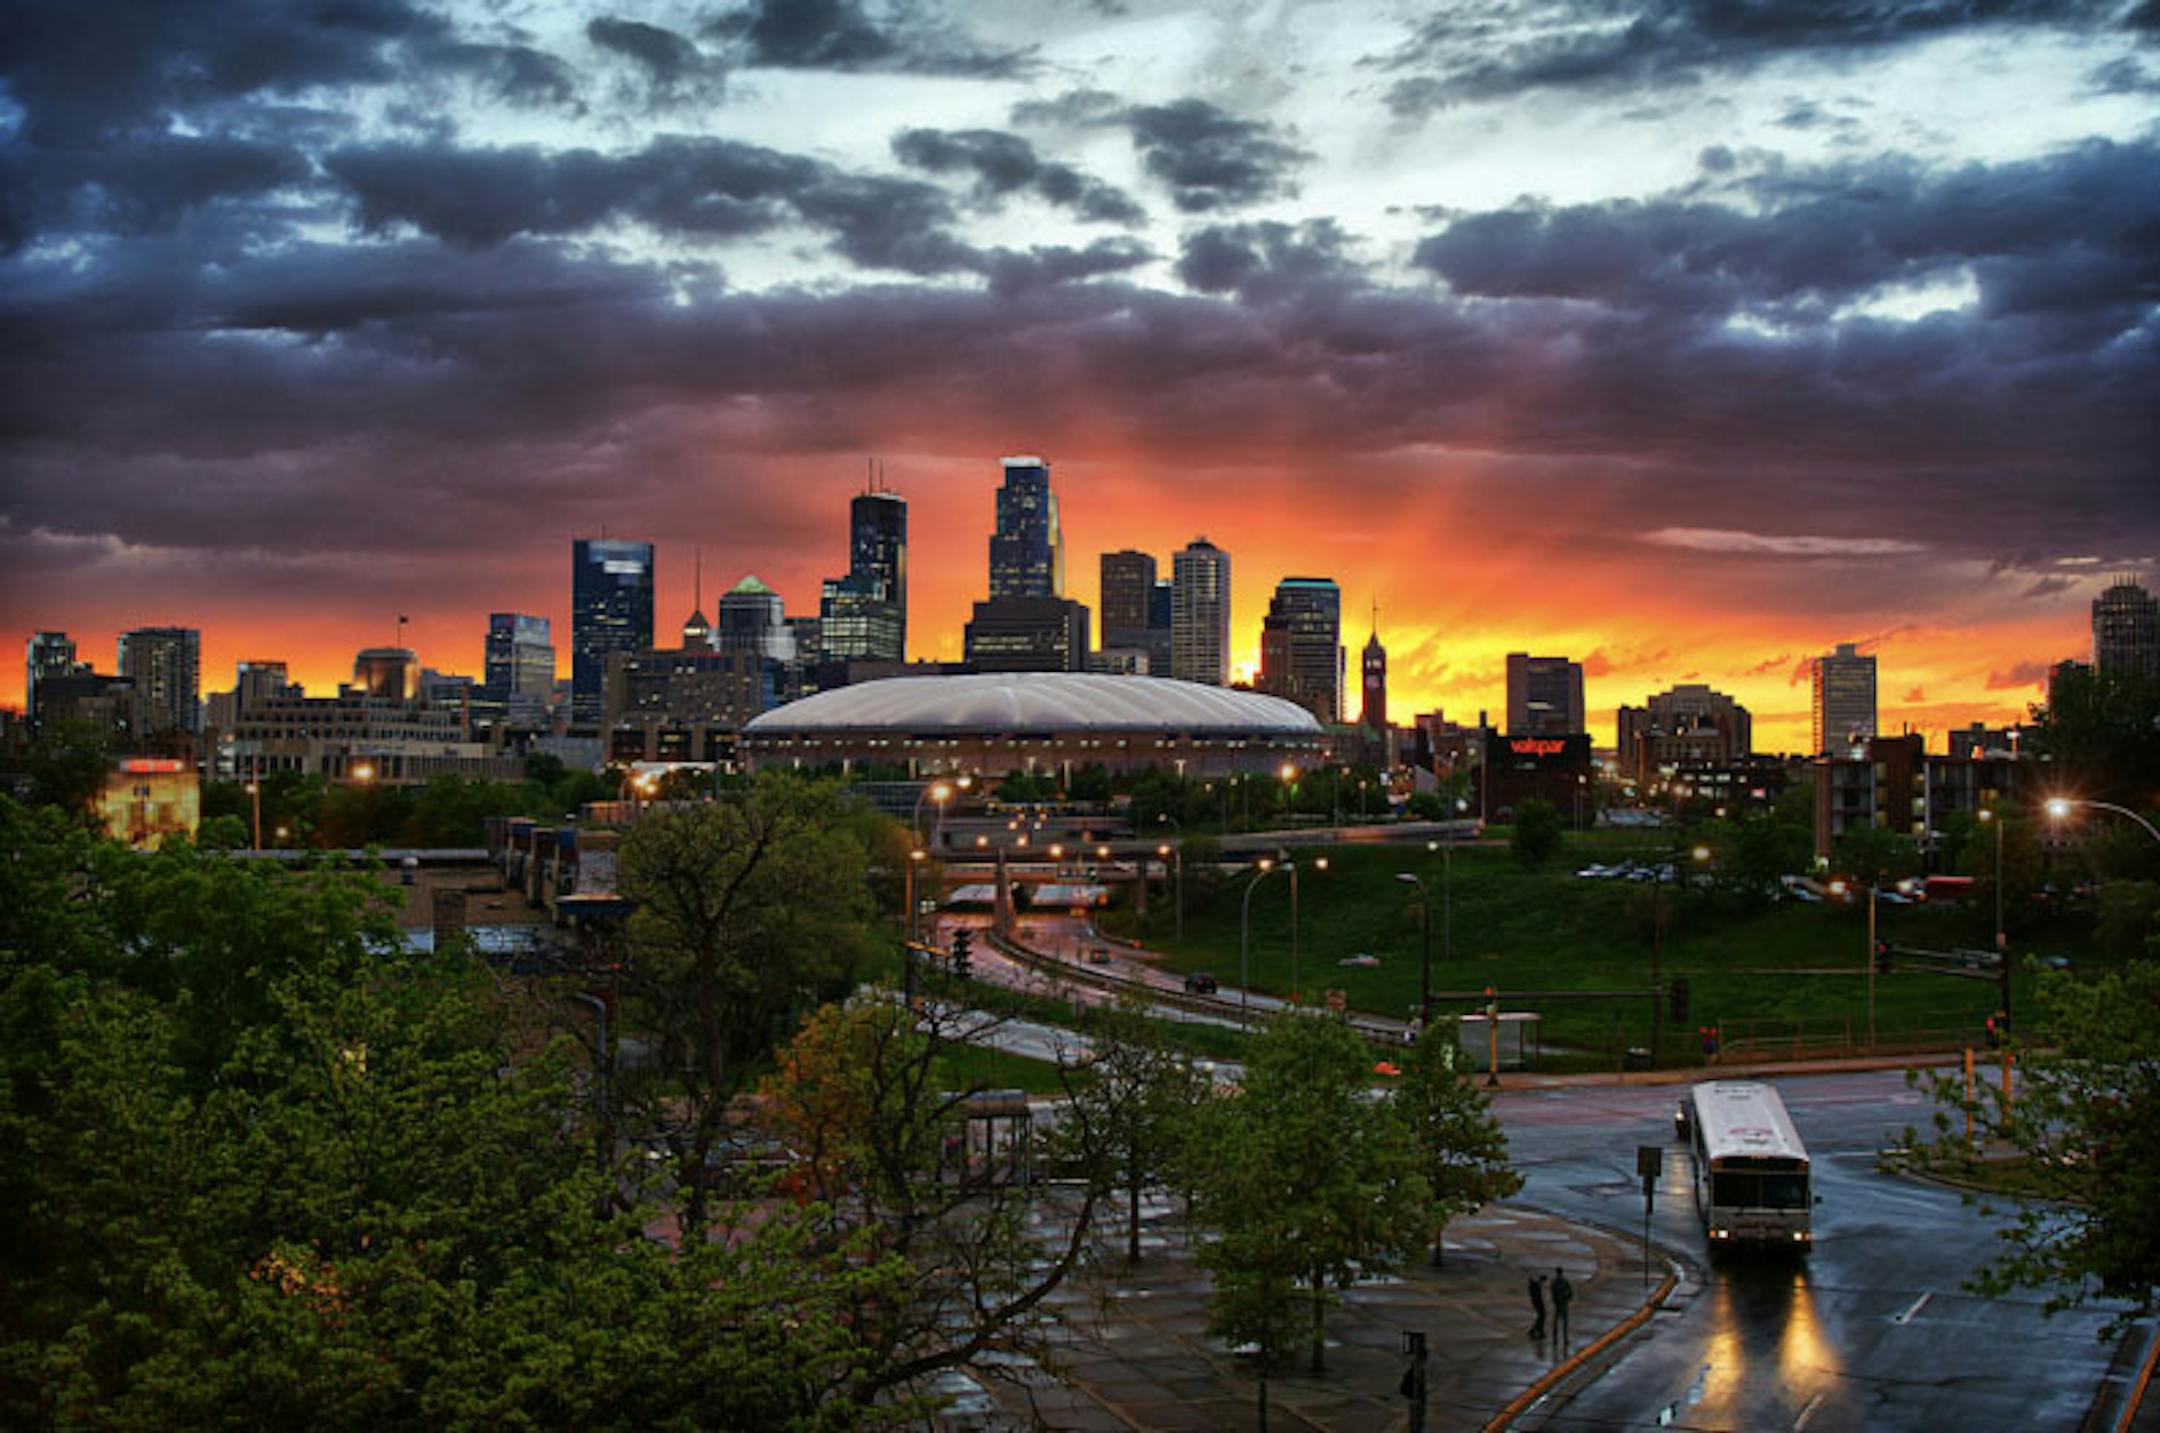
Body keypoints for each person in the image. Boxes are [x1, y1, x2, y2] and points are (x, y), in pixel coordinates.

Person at [1551, 1267, 1574, 1343]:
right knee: (1565, 1322)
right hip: (1564, 1303)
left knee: (1556, 1321)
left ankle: (1555, 1338)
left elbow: (1552, 1292)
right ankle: (1565, 1338)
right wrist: (1568, 1298)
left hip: (1558, 1303)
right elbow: (1570, 1291)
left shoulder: (1554, 1282)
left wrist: (1555, 1300)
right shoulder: (1564, 1281)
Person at [1527, 1273, 1547, 1339]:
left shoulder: (1533, 1285)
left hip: (1537, 1302)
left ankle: (1535, 1330)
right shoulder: (1535, 1286)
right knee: (1542, 1316)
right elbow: (1537, 1295)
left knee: (1541, 1316)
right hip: (1538, 1302)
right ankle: (1538, 1330)